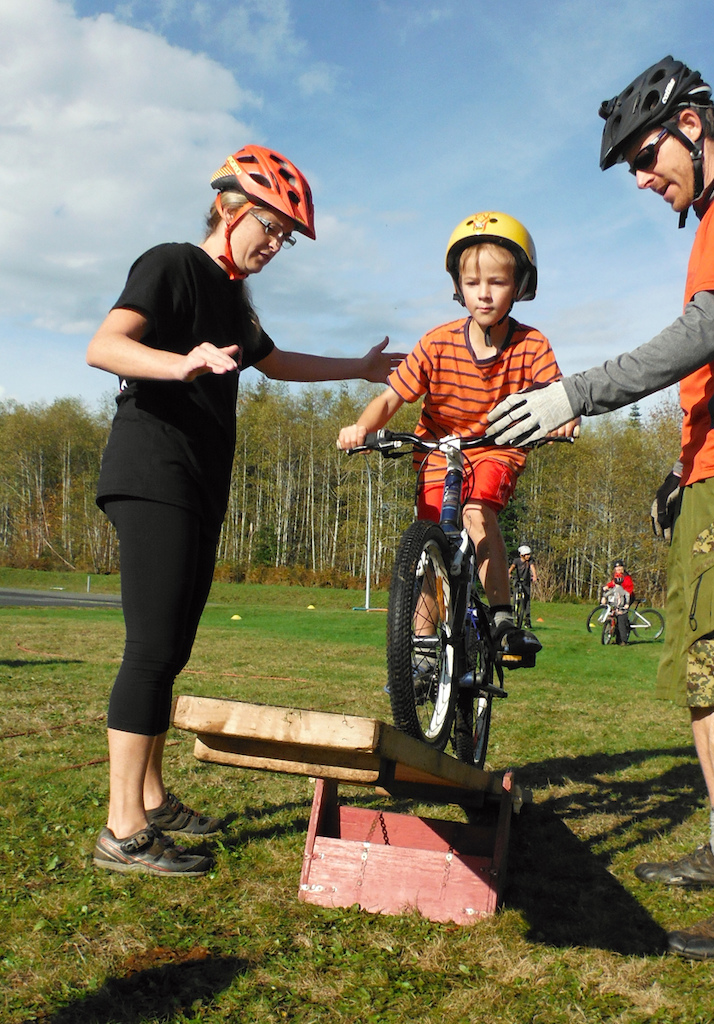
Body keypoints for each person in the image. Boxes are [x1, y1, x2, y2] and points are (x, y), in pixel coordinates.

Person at [487, 56, 714, 960]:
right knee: (702, 672)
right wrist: (680, 468)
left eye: (643, 155)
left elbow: (707, 331)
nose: (640, 178)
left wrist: (577, 393)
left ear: (691, 126)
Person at [86, 145, 403, 877]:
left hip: (199, 482)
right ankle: (123, 829)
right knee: (152, 650)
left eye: (286, 237)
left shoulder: (233, 298)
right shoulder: (172, 263)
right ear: (227, 209)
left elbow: (275, 361)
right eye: (270, 226)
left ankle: (152, 798)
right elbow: (105, 346)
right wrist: (181, 364)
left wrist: (358, 368)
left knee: (171, 649)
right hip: (152, 470)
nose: (275, 245)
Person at [338, 212, 578, 663]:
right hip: (437, 450)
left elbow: (556, 396)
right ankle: (422, 651)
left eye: (497, 282)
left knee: (475, 511)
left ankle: (502, 619)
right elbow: (390, 399)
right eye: (472, 282)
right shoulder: (437, 343)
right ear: (458, 287)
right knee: (433, 541)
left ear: (520, 286)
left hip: (497, 447)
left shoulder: (532, 346)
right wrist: (362, 428)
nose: (484, 293)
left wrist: (564, 417)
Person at [602, 560, 634, 644]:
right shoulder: (617, 576)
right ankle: (617, 638)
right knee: (615, 614)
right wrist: (607, 587)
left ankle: (623, 640)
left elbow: (628, 590)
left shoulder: (626, 577)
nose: (618, 569)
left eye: (620, 567)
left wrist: (626, 602)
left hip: (627, 598)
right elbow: (614, 583)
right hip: (619, 598)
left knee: (621, 617)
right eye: (617, 567)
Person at [509, 544, 537, 623]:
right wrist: (509, 573)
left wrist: (534, 576)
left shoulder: (530, 561)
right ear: (522, 555)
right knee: (515, 598)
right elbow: (512, 567)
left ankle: (527, 619)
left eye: (529, 554)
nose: (528, 556)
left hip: (526, 581)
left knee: (527, 600)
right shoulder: (517, 561)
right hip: (517, 580)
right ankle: (515, 614)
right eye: (526, 555)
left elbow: (532, 567)